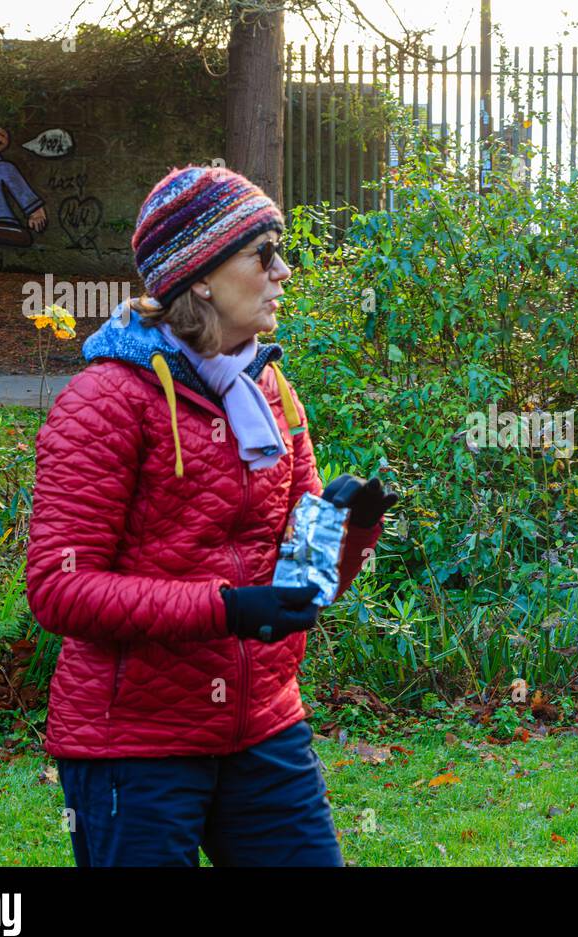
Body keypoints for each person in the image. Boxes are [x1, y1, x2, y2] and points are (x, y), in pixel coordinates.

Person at [26, 165, 396, 866]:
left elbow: (296, 592)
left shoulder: (271, 389)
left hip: (263, 728)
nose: (283, 271)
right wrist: (225, 609)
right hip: (133, 746)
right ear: (200, 277)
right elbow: (59, 588)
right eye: (264, 253)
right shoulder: (106, 401)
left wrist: (350, 533)